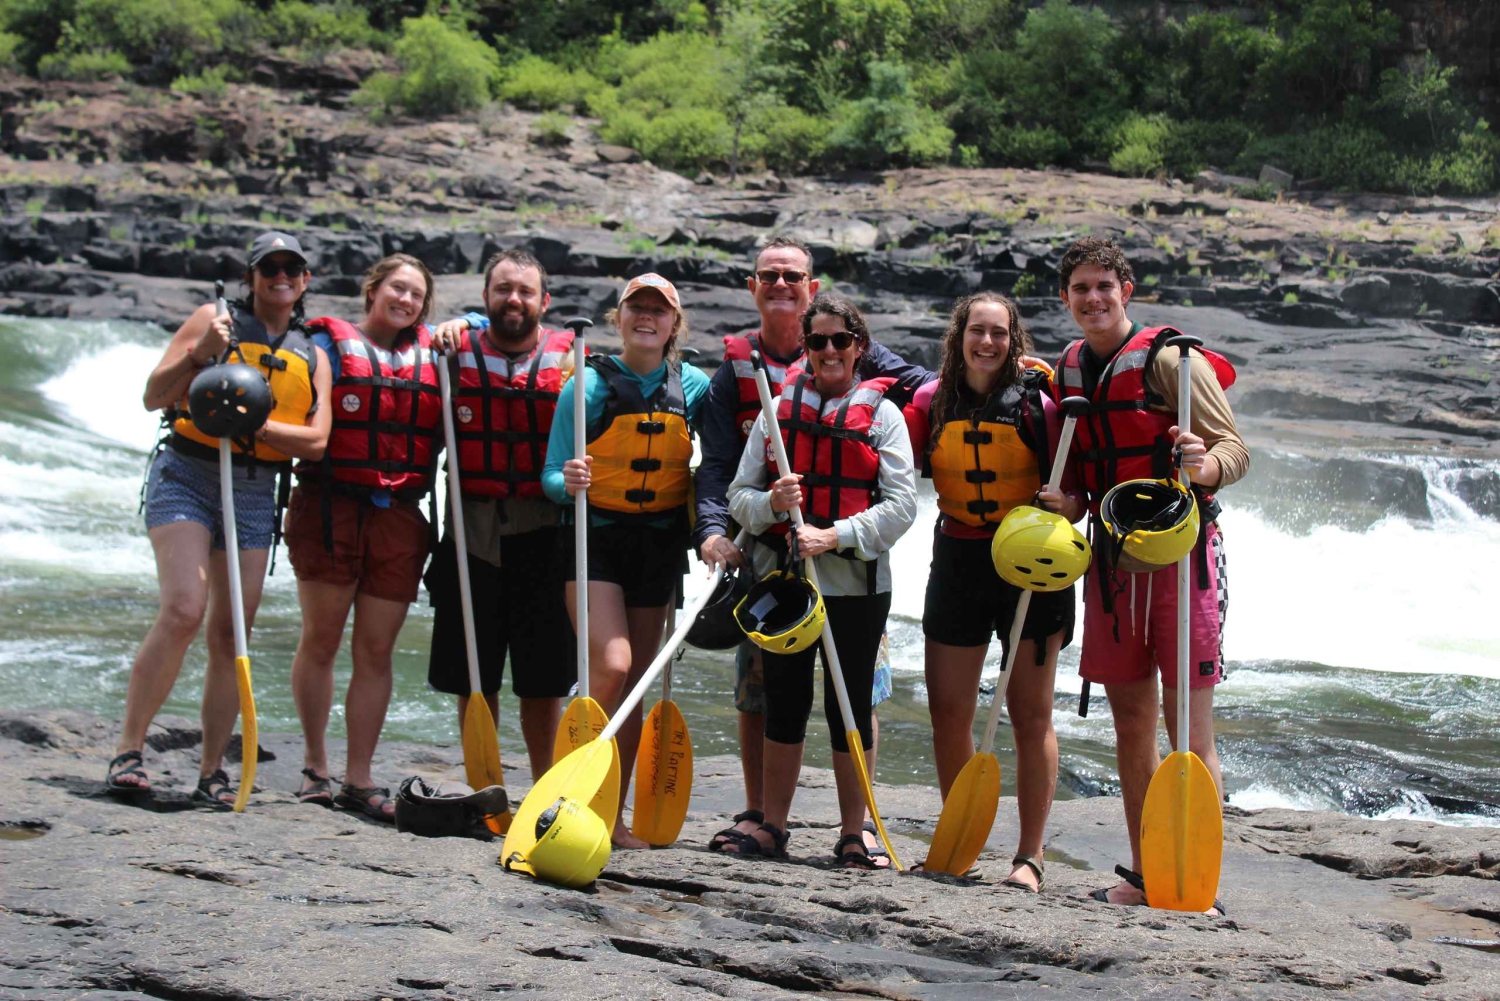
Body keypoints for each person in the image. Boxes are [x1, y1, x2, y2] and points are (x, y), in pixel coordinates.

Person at [694, 237, 931, 856]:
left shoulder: (883, 417)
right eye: (816, 342)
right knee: (785, 698)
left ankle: (855, 834)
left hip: (856, 586)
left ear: (859, 348)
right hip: (785, 582)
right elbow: (739, 492)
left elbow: (903, 506)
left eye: (839, 342)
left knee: (850, 703)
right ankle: (773, 824)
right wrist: (773, 503)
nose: (827, 351)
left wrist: (835, 534)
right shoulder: (777, 412)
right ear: (807, 347)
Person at [1053, 238, 1248, 914]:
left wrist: (1203, 466)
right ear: (1066, 298)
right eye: (1081, 288)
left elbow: (1234, 451)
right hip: (1112, 565)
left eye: (1104, 285)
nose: (1094, 298)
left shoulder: (1172, 361)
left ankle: (1195, 878)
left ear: (1126, 291)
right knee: (1131, 722)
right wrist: (1066, 505)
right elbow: (1080, 481)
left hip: (1181, 558)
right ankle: (1143, 872)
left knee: (1189, 727)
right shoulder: (1071, 369)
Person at [111, 231, 331, 807]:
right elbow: (153, 396)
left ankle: (212, 771)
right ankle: (129, 749)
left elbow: (315, 442)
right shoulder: (214, 320)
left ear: (304, 281)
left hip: (255, 488)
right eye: (269, 267)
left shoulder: (314, 353)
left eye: (292, 268)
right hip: (188, 473)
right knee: (185, 607)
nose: (279, 276)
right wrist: (202, 351)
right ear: (252, 277)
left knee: (232, 631)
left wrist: (253, 424)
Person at [903, 292, 1085, 890]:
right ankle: (960, 840)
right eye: (976, 331)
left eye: (999, 334)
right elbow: (888, 467)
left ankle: (1029, 857)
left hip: (1031, 564)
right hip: (957, 559)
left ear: (1014, 340)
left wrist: (1071, 503)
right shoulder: (930, 404)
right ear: (959, 337)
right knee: (948, 712)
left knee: (1030, 714)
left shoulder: (1044, 407)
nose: (987, 343)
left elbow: (1081, 489)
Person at [544, 273, 711, 849]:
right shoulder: (584, 386)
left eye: (658, 311)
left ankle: (610, 818)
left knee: (636, 682)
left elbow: (720, 458)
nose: (647, 318)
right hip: (594, 541)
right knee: (612, 665)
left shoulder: (693, 386)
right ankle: (566, 793)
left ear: (674, 323)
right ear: (619, 319)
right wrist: (567, 482)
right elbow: (549, 476)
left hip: (657, 545)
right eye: (636, 308)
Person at [285, 253, 442, 822]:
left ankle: (359, 777)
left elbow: (476, 329)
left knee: (376, 650)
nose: (405, 301)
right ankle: (314, 766)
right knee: (321, 640)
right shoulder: (326, 346)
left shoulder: (434, 354)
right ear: (372, 290)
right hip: (329, 509)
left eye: (416, 295)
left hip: (398, 518)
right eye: (396, 289)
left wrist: (466, 324)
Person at [426, 249, 577, 779]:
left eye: (525, 291)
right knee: (474, 674)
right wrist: (458, 324)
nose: (513, 300)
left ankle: (543, 784)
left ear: (544, 301)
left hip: (543, 534)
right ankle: (483, 785)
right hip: (471, 533)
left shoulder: (568, 359)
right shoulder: (453, 351)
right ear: (485, 296)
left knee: (543, 680)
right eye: (502, 289)